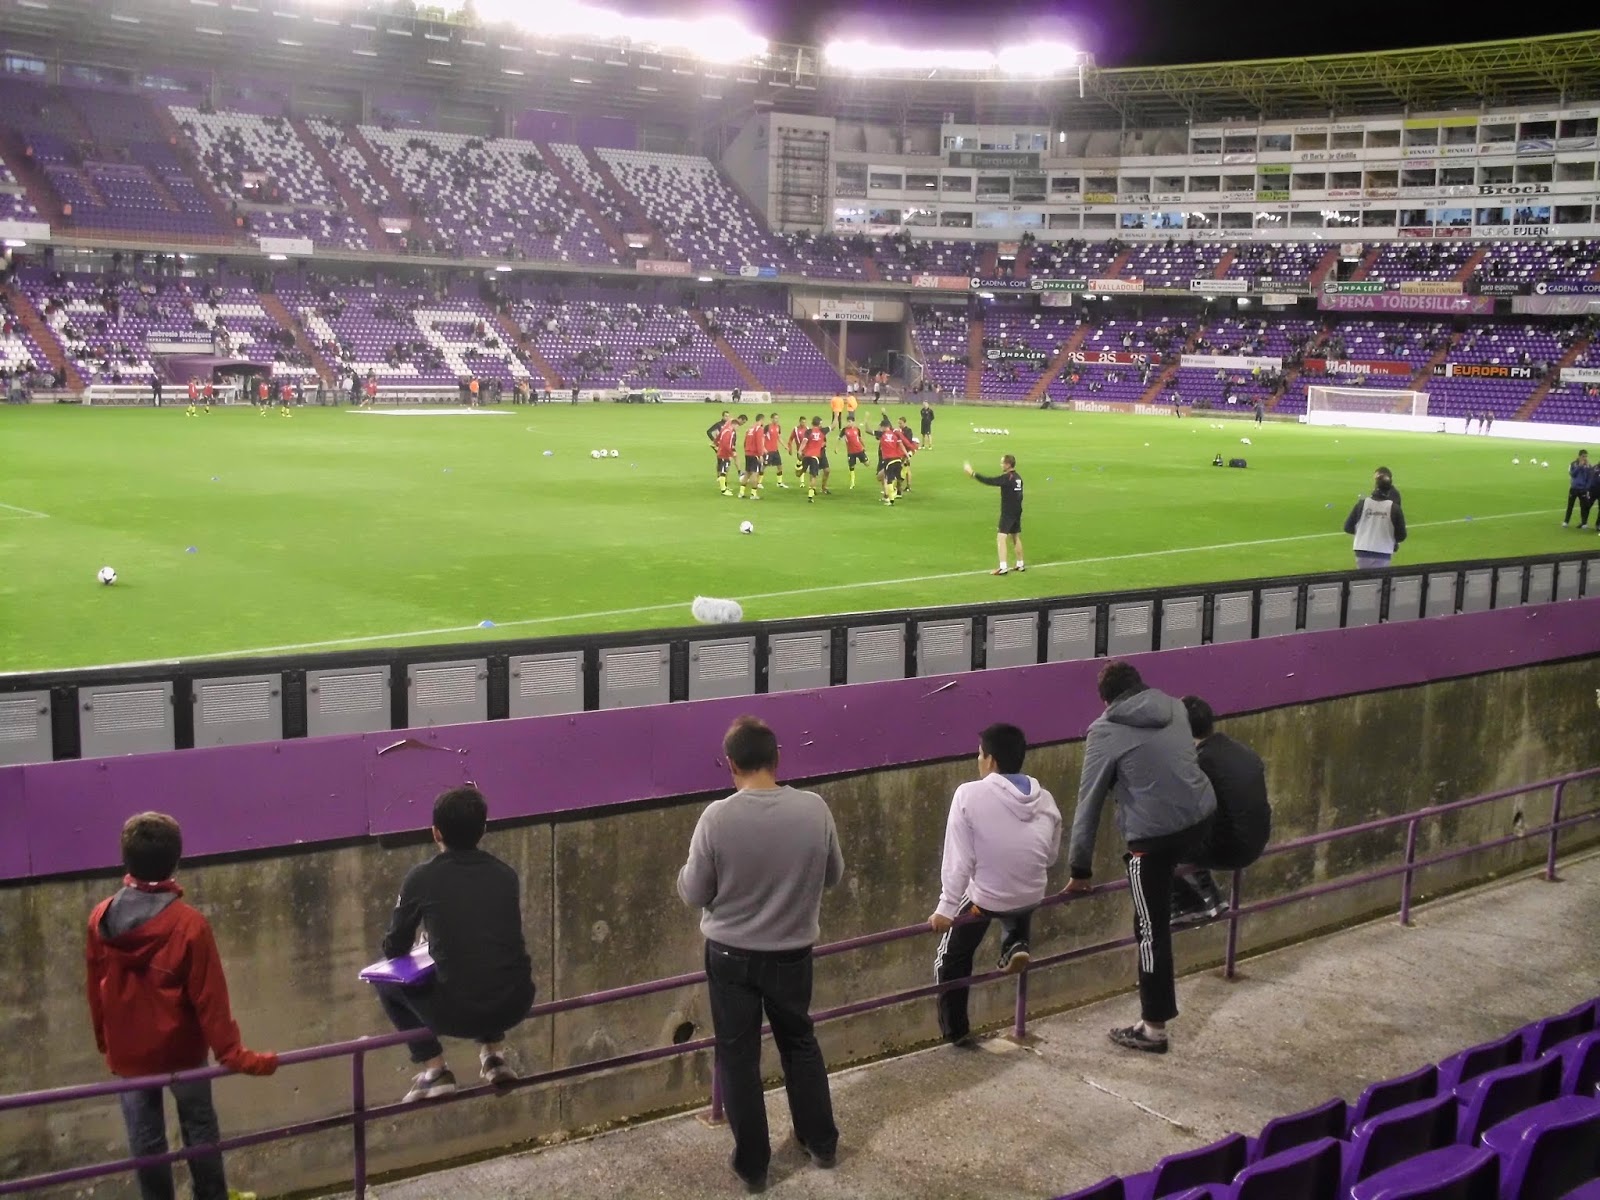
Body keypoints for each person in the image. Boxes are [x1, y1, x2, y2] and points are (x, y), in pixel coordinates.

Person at [678, 716, 843, 1193]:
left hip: (730, 955)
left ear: (730, 764)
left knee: (738, 1057)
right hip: (793, 952)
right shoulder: (815, 809)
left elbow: (693, 891)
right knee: (800, 1042)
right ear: (778, 759)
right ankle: (821, 1142)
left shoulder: (717, 817)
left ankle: (753, 1167)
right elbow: (833, 875)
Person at [86, 813, 278, 1200]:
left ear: (126, 859)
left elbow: (96, 987)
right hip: (183, 1055)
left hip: (128, 1055)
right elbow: (211, 1000)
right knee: (200, 1132)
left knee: (146, 1143)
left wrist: (106, 1043)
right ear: (176, 860)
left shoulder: (100, 919)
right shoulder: (189, 925)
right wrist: (234, 1054)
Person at [1063, 662, 1217, 1054]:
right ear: (1141, 685)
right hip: (1202, 821)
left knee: (1150, 930)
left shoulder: (1104, 731)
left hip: (1154, 840)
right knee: (1164, 881)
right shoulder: (1176, 707)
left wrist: (1080, 868)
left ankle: (1153, 1028)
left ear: (1106, 700)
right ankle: (1199, 895)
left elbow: (1088, 803)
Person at [375, 786, 534, 1102]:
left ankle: (435, 1070)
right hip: (516, 1003)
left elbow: (394, 948)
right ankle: (494, 1056)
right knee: (485, 958)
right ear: (483, 830)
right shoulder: (506, 874)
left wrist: (426, 944)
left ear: (435, 832)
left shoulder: (421, 878)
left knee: (385, 980)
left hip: (457, 1014)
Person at [930, 723, 1061, 1046]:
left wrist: (946, 908)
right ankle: (1015, 943)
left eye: (980, 754)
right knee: (1015, 895)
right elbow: (1050, 857)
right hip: (1031, 894)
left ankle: (956, 1032)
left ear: (990, 760)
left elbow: (959, 860)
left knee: (950, 957)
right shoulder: (1045, 799)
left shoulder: (968, 794)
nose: (978, 761)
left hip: (987, 899)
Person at [1170, 697, 1272, 925]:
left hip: (1232, 850)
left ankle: (1192, 904)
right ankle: (1207, 897)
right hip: (1259, 839)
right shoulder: (1242, 750)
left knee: (1157, 836)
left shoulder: (1199, 762)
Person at [963, 453, 1025, 575]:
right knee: (1015, 536)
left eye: (1002, 463)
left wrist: (973, 474)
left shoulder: (1007, 478)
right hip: (1017, 510)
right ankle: (1020, 564)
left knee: (1001, 537)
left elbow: (990, 481)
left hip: (1008, 512)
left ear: (1008, 464)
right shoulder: (1018, 477)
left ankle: (1003, 567)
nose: (1001, 465)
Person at [1343, 466, 1406, 570]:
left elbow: (1348, 527)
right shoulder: (1394, 508)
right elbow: (1401, 535)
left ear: (1375, 485)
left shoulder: (1362, 504)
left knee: (1364, 578)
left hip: (1362, 549)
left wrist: (1364, 531)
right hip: (1383, 550)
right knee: (1379, 578)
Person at [875, 418, 907, 505]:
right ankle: (894, 492)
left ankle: (890, 498)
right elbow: (901, 445)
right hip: (892, 460)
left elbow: (869, 431)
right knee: (886, 477)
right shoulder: (892, 435)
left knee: (887, 479)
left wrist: (866, 420)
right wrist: (907, 455)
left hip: (889, 460)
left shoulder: (884, 435)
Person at [801, 415, 830, 503]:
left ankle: (822, 488)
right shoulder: (818, 431)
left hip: (820, 454)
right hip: (814, 455)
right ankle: (812, 492)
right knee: (813, 474)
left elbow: (824, 441)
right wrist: (836, 415)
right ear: (819, 423)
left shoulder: (819, 431)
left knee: (826, 470)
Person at [715, 414, 745, 497]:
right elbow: (726, 444)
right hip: (724, 453)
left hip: (721, 452)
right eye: (737, 426)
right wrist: (731, 453)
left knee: (723, 470)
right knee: (724, 471)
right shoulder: (729, 432)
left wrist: (715, 442)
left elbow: (720, 437)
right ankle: (723, 490)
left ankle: (725, 487)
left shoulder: (726, 430)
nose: (738, 428)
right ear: (734, 425)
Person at [740, 412, 765, 500]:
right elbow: (759, 442)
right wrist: (760, 455)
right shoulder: (759, 429)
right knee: (755, 473)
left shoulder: (750, 428)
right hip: (754, 454)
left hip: (748, 453)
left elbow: (745, 441)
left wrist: (746, 450)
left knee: (747, 472)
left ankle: (741, 492)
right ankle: (753, 494)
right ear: (761, 420)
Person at [1565, 450, 1593, 529]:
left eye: (1586, 456)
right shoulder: (1573, 464)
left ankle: (1584, 523)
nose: (1585, 458)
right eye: (1583, 456)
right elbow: (1572, 474)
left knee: (1583, 507)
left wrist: (1586, 488)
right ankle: (1566, 522)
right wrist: (1579, 466)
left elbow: (1589, 478)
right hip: (1574, 488)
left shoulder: (1588, 466)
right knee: (1570, 506)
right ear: (1579, 456)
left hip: (1583, 489)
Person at [840, 415, 869, 490]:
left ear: (853, 422)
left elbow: (860, 438)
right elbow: (839, 438)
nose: (848, 423)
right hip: (851, 452)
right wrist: (836, 448)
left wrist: (864, 446)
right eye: (848, 422)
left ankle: (864, 459)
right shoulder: (844, 430)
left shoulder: (857, 429)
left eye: (850, 422)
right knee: (851, 467)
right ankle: (852, 483)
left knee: (867, 464)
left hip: (859, 450)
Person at [763, 415, 788, 490]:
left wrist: (785, 446)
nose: (776, 420)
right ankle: (758, 482)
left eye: (777, 418)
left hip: (775, 450)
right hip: (768, 450)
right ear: (771, 419)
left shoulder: (778, 427)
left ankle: (779, 483)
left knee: (779, 466)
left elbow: (778, 437)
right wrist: (763, 448)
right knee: (764, 466)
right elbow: (762, 438)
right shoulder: (767, 427)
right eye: (775, 418)